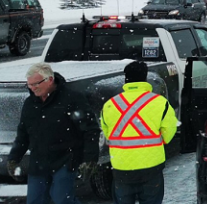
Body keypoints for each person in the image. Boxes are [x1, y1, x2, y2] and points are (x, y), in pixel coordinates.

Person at [9, 63, 98, 204]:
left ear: (49, 80)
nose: (32, 88)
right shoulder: (30, 104)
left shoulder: (72, 99)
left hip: (66, 158)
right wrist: (13, 158)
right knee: (35, 200)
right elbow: (23, 134)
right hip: (39, 160)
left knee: (62, 198)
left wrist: (90, 159)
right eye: (29, 85)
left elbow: (90, 130)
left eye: (36, 84)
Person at [100, 61, 178, 204]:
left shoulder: (110, 104)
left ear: (125, 79)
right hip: (151, 166)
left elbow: (107, 132)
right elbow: (170, 129)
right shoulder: (160, 102)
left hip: (121, 167)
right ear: (145, 77)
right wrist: (158, 142)